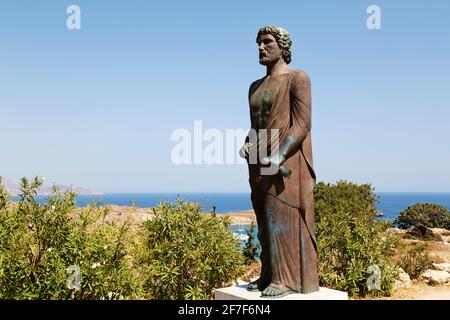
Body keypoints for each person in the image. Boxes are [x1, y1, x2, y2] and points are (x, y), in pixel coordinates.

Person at [239, 26, 319, 298]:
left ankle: (285, 280)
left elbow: (302, 124)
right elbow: (256, 125)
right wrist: (248, 143)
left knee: (279, 216)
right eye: (258, 43)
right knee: (263, 219)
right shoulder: (254, 86)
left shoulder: (298, 78)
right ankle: (268, 274)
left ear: (282, 46)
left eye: (267, 42)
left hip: (286, 162)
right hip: (257, 161)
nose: (261, 48)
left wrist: (280, 153)